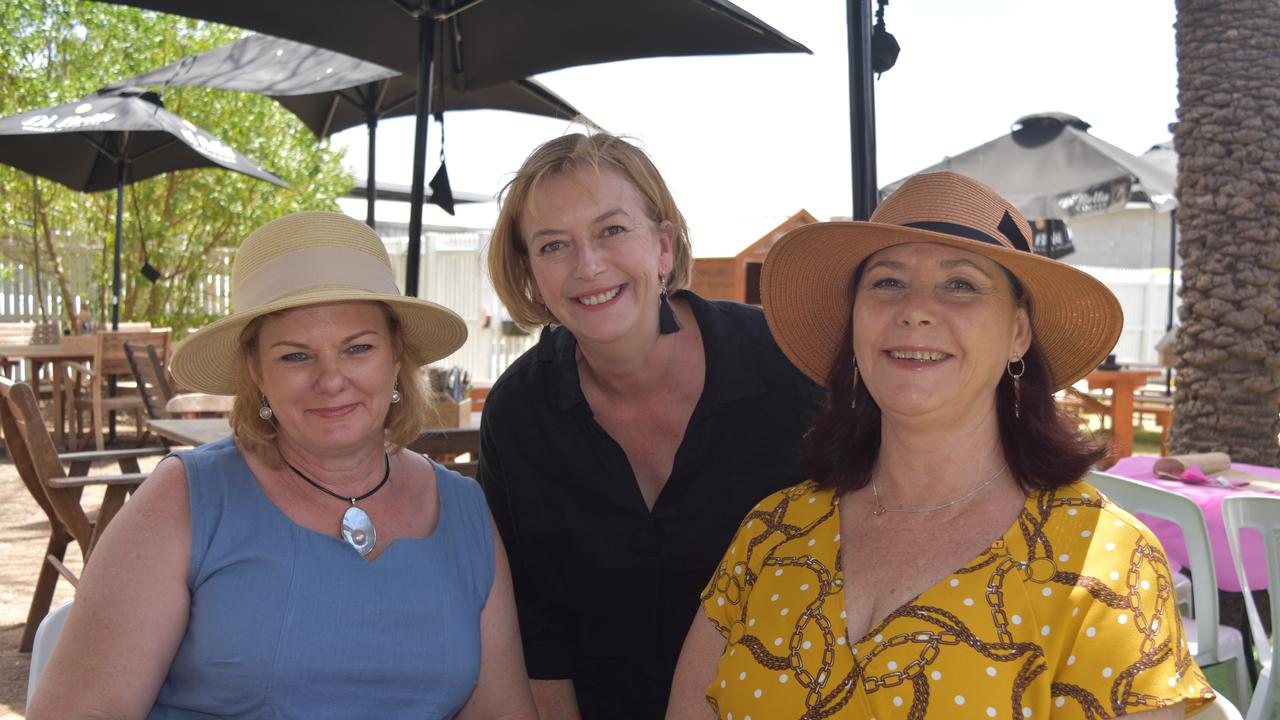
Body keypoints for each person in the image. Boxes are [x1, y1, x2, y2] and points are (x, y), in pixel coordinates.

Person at [667, 172, 1216, 719]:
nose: (915, 309)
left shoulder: (1104, 563)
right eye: (886, 282)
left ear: (1018, 333)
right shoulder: (771, 531)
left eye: (961, 284)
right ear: (854, 321)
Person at [27, 212, 537, 719]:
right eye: (296, 356)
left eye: (357, 348)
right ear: (256, 368)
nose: (331, 379)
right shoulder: (183, 500)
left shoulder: (466, 511)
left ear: (395, 354)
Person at [479, 132, 823, 719]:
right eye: (554, 245)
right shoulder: (520, 412)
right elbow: (536, 626)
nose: (588, 265)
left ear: (663, 248)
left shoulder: (788, 364)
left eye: (612, 231)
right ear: (532, 275)